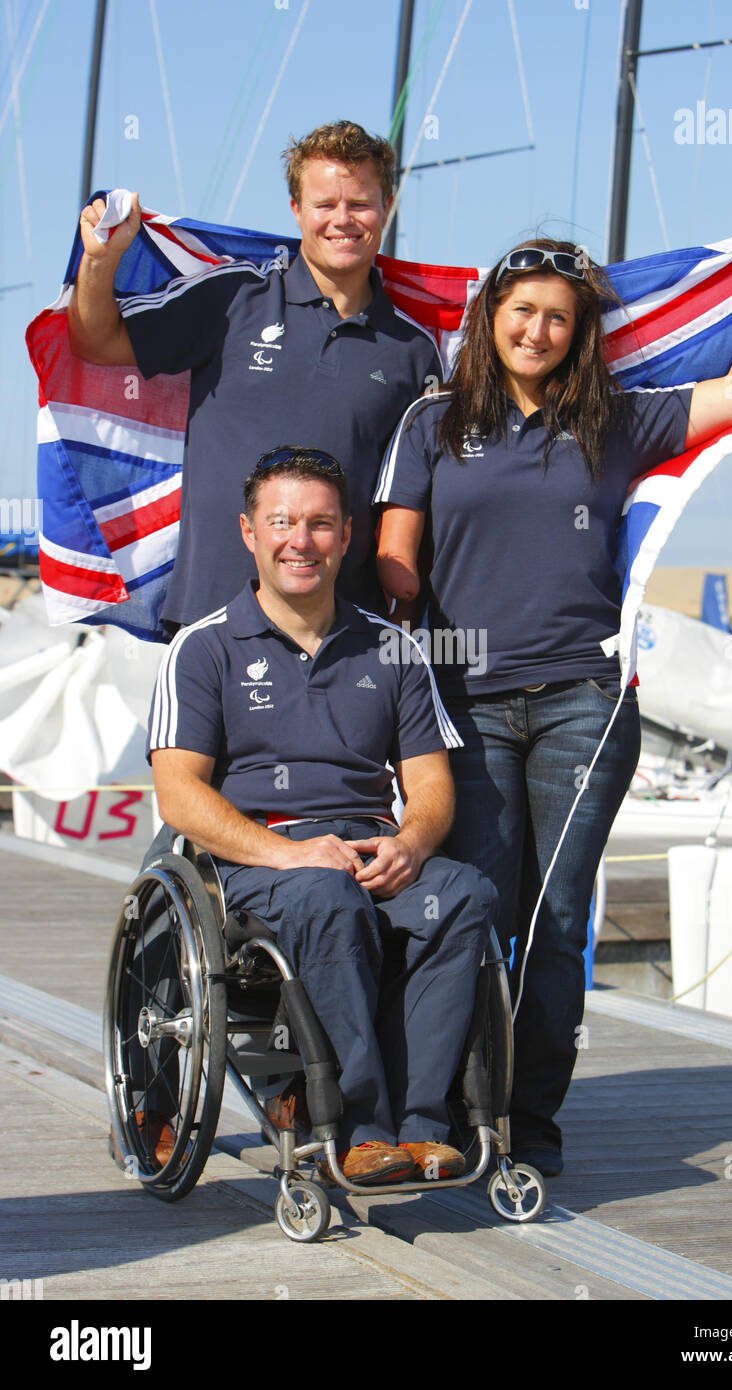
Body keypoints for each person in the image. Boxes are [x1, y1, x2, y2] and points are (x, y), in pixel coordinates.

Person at [373, 208, 732, 1176]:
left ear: (577, 331)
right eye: (521, 310)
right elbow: (395, 549)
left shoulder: (611, 417)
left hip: (582, 702)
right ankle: (445, 1107)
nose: (536, 330)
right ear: (489, 317)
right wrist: (389, 609)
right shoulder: (431, 421)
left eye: (557, 317)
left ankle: (529, 1119)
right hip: (465, 699)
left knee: (557, 919)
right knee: (472, 904)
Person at [148, 446, 495, 1185]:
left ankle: (425, 1126)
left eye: (320, 524)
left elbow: (431, 788)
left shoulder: (393, 648)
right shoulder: (203, 649)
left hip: (368, 854)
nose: (299, 541)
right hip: (256, 863)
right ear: (249, 532)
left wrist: (410, 842)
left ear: (347, 537)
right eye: (282, 522)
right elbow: (179, 795)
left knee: (463, 892)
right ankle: (359, 1127)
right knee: (328, 895)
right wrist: (289, 855)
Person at [67, 120, 442, 633]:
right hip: (210, 619)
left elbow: (416, 496)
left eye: (359, 204)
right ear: (296, 210)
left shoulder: (414, 350)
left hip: (343, 634)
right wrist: (101, 258)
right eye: (324, 205)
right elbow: (95, 343)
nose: (342, 220)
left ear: (387, 206)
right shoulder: (230, 300)